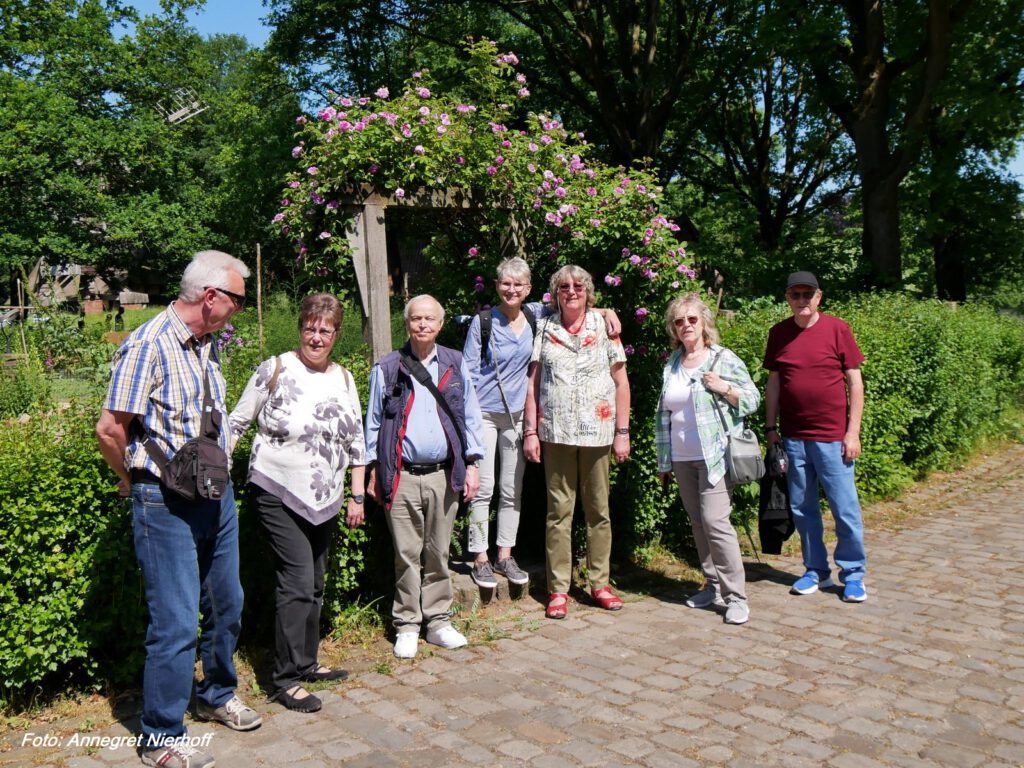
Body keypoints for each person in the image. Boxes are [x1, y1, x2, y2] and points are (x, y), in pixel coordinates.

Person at [95, 251, 260, 768]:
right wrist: (133, 482)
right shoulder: (147, 345)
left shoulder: (205, 343)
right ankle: (160, 735)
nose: (239, 306)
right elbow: (109, 431)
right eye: (236, 297)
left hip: (214, 495)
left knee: (227, 603)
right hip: (163, 502)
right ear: (210, 297)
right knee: (174, 623)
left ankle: (215, 696)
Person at [228, 294, 366, 713]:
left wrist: (357, 494)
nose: (317, 336)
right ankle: (284, 679)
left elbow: (357, 442)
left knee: (317, 583)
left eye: (326, 329)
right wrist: (213, 474)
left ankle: (306, 662)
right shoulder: (275, 369)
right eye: (310, 327)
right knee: (298, 580)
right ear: (300, 328)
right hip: (276, 488)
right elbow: (236, 422)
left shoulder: (343, 378)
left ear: (336, 334)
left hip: (324, 496)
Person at [462, 257, 622, 590]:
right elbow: (468, 374)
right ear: (496, 285)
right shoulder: (484, 322)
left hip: (519, 416)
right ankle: (479, 556)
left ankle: (505, 554)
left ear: (529, 289)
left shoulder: (536, 316)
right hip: (486, 415)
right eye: (505, 283)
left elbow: (579, 304)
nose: (511, 289)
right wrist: (470, 420)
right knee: (483, 489)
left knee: (511, 489)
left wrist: (608, 312)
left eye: (518, 284)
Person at [364, 295, 485, 659]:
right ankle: (407, 625)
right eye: (416, 319)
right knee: (406, 553)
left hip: (443, 475)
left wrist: (474, 463)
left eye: (429, 319)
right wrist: (371, 469)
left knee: (438, 552)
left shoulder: (455, 362)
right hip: (400, 475)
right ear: (407, 323)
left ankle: (438, 622)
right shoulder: (387, 367)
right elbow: (372, 424)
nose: (422, 325)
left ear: (440, 323)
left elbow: (471, 416)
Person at [524, 265, 630, 619]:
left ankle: (600, 582)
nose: (572, 291)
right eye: (564, 286)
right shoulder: (545, 326)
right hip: (556, 433)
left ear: (589, 290)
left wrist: (622, 432)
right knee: (559, 513)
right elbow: (533, 383)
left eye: (579, 285)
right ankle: (558, 590)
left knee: (599, 511)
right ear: (555, 292)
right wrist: (530, 431)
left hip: (599, 433)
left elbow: (621, 383)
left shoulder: (605, 327)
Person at [655, 293, 760, 625]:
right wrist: (665, 463)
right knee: (698, 523)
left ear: (704, 324)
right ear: (673, 328)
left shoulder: (721, 359)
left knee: (716, 522)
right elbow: (664, 417)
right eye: (679, 321)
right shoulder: (672, 364)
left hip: (714, 455)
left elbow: (754, 398)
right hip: (683, 458)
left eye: (691, 319)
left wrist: (725, 389)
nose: (685, 325)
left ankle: (736, 596)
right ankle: (712, 585)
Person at [763, 271, 868, 602]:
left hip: (832, 438)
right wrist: (771, 429)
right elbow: (775, 384)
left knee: (844, 508)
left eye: (808, 294)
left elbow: (855, 382)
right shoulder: (779, 333)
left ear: (819, 297)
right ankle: (815, 570)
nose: (802, 300)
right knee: (803, 508)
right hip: (793, 438)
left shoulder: (838, 329)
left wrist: (852, 432)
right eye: (795, 295)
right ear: (787, 298)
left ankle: (853, 573)